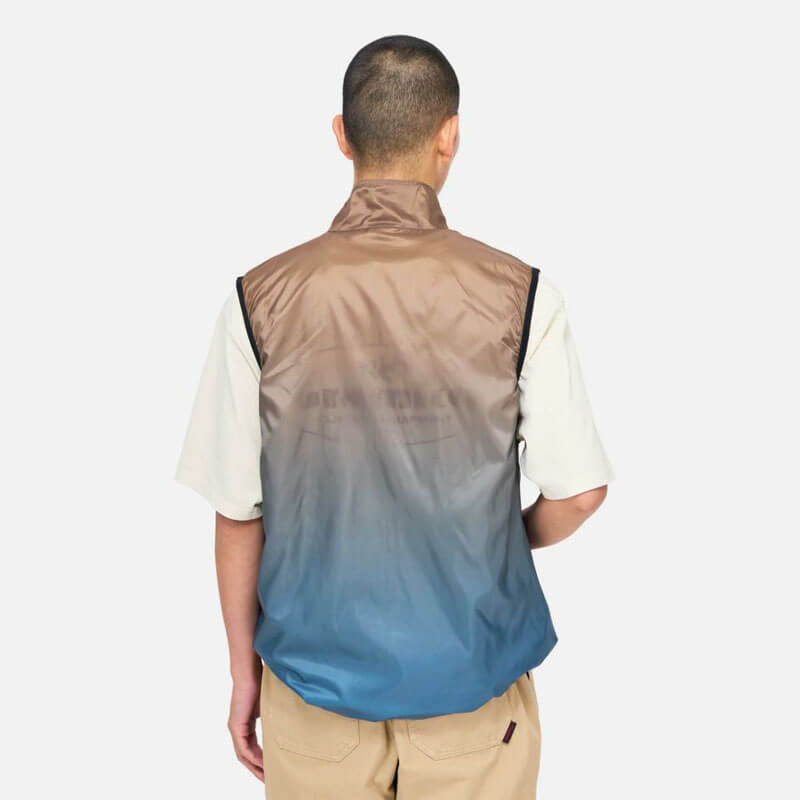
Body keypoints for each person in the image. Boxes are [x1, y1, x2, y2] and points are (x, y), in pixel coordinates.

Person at [177, 34, 612, 799]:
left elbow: (239, 512)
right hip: (476, 699)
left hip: (312, 704)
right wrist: (499, 539)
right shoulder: (523, 295)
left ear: (341, 136)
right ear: (450, 135)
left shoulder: (259, 299)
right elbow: (579, 493)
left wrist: (244, 675)